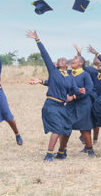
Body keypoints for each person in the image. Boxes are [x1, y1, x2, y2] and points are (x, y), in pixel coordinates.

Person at [26, 30, 74, 161]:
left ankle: (61, 152)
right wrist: (37, 39)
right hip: (51, 105)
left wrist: (74, 96)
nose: (60, 60)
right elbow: (45, 55)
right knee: (57, 129)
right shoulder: (53, 71)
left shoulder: (69, 77)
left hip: (62, 106)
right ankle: (48, 155)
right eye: (58, 60)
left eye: (63, 60)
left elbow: (71, 89)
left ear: (67, 65)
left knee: (67, 129)